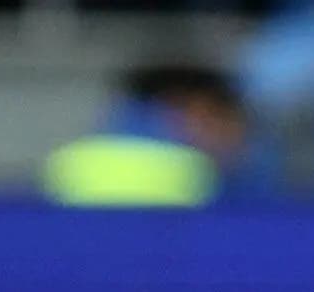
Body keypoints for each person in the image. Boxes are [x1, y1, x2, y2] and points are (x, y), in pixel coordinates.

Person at [43, 58, 249, 205]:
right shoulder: (197, 176)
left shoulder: (65, 161)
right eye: (218, 116)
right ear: (177, 104)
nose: (236, 134)